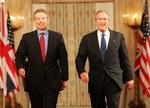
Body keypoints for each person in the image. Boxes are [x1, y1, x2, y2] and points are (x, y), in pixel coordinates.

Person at [75, 10, 134, 108]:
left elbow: (125, 59)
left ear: (108, 21)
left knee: (113, 105)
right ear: (95, 21)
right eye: (100, 19)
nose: (102, 21)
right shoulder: (87, 39)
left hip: (113, 79)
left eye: (104, 19)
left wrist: (129, 78)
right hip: (95, 80)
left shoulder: (118, 37)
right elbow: (80, 58)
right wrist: (82, 72)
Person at [15, 8, 69, 108]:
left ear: (47, 20)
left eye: (43, 18)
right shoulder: (26, 38)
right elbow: (19, 55)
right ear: (35, 21)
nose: (41, 21)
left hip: (52, 81)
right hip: (33, 81)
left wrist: (65, 78)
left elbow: (63, 59)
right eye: (38, 19)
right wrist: (20, 67)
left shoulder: (57, 37)